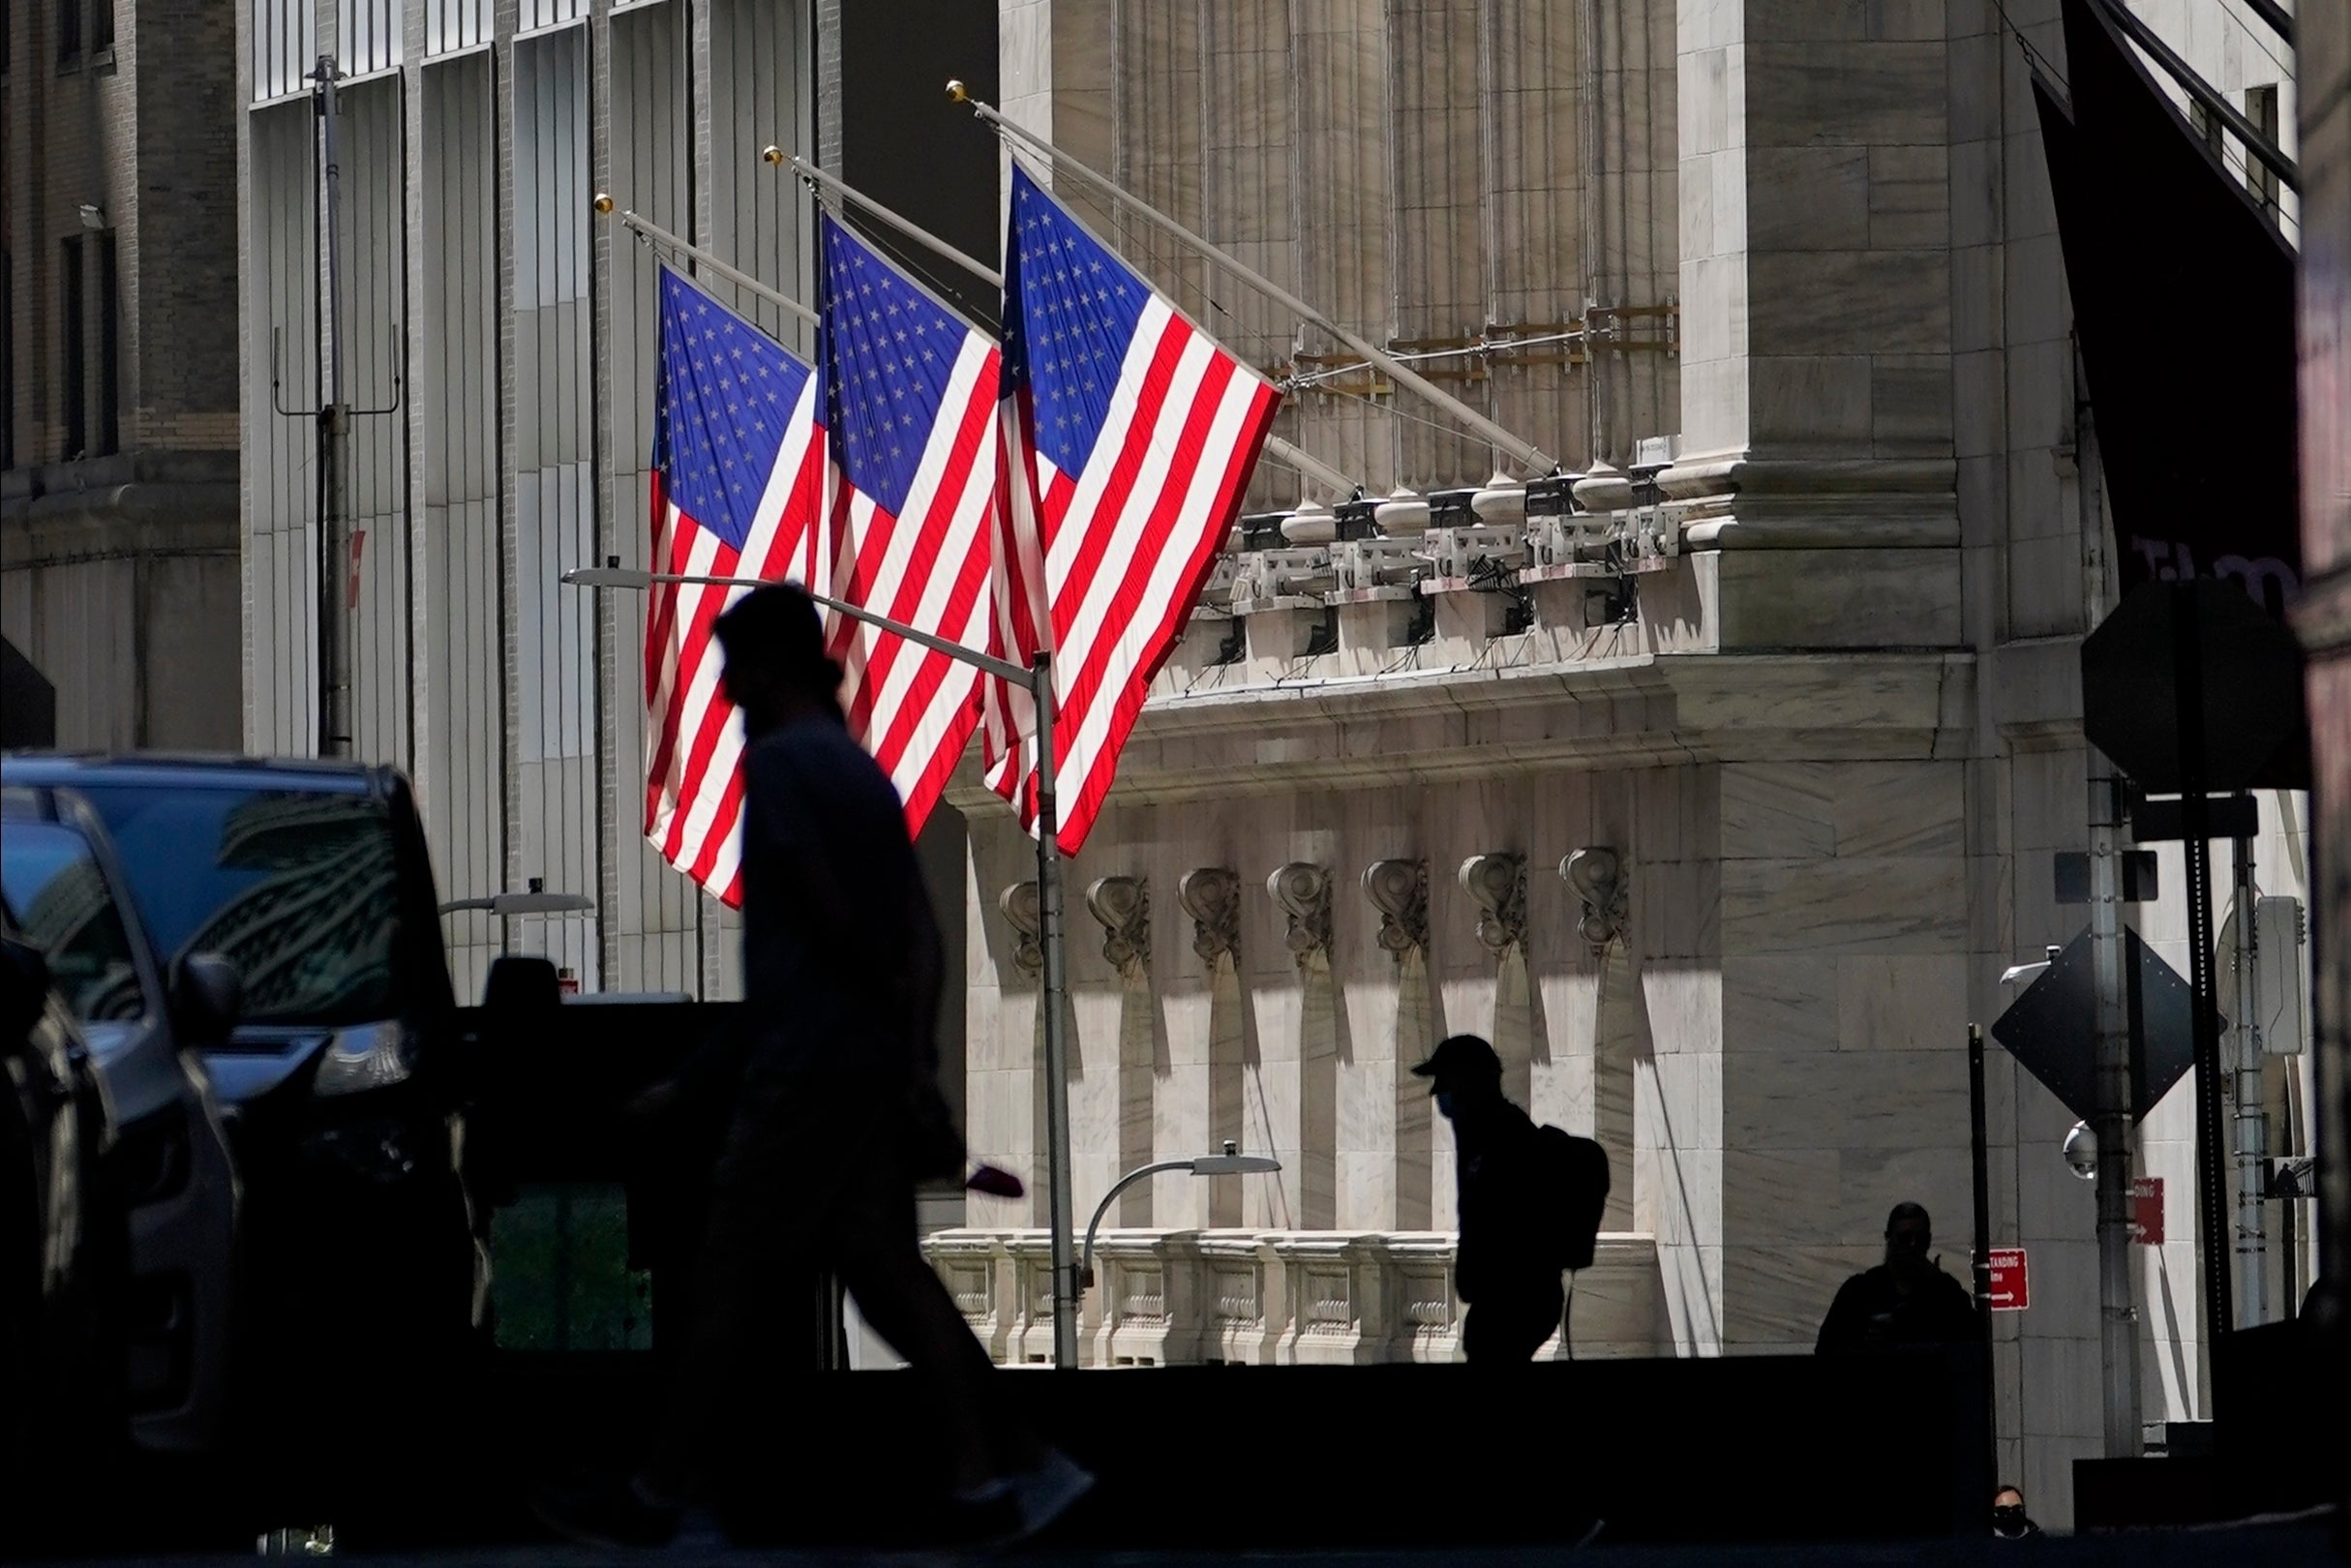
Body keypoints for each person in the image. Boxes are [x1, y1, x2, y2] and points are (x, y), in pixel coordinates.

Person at [538, 584, 1090, 1548]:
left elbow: (820, 928)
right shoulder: (859, 775)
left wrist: (704, 1079)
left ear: (773, 669)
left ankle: (666, 1494)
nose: (722, 693)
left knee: (728, 1274)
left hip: (808, 1077)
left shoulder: (786, 770)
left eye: (734, 670)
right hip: (863, 1072)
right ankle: (1005, 1472)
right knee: (884, 1278)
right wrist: (908, 1059)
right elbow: (918, 940)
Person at [1414, 1034, 1563, 1362]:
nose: (1437, 1093)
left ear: (1469, 1081)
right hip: (1508, 1295)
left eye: (1445, 1081)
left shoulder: (1502, 1134)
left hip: (1516, 1295)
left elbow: (1495, 1218)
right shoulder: (1480, 1132)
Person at [1815, 1202, 1981, 1353]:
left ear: (1928, 1241)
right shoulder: (1859, 1291)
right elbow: (1827, 1349)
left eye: (1921, 1239)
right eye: (1904, 1238)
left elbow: (1971, 1345)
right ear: (1889, 1238)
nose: (1913, 1246)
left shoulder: (1946, 1292)